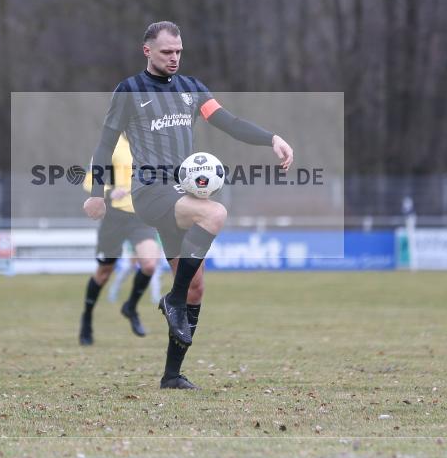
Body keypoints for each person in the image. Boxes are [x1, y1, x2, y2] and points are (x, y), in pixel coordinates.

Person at [83, 21, 294, 389]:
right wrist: (97, 194)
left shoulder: (193, 89)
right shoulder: (129, 90)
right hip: (150, 192)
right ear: (147, 50)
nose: (174, 58)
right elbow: (105, 144)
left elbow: (228, 122)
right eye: (167, 52)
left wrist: (271, 138)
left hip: (183, 194)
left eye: (178, 51)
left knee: (197, 287)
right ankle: (173, 299)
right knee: (215, 212)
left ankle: (171, 374)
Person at [80, 133, 162, 346]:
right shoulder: (111, 145)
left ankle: (131, 307)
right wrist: (110, 190)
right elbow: (89, 181)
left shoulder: (153, 144)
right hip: (114, 218)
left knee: (150, 264)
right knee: (104, 272)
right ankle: (87, 317)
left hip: (141, 218)